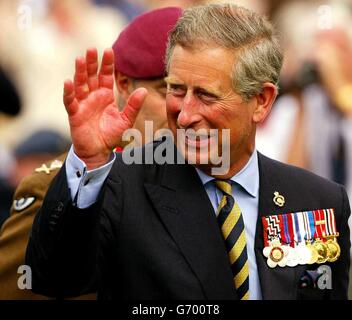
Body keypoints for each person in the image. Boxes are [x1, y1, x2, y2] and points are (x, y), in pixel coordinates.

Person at [26, 3, 350, 300]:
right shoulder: (119, 185)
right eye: (176, 90)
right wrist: (89, 160)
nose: (185, 114)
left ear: (262, 101)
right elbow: (54, 278)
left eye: (207, 96)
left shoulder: (318, 200)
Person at [0, 6, 182, 300]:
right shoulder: (59, 188)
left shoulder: (218, 181)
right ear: (124, 84)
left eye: (203, 93)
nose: (185, 111)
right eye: (170, 89)